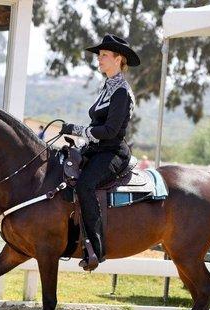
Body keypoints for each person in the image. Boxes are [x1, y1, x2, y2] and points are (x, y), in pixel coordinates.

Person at [59, 34, 140, 270]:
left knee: (85, 185)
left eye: (104, 55)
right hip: (97, 149)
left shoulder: (121, 92)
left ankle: (96, 249)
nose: (99, 59)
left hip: (113, 152)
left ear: (119, 59)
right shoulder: (108, 88)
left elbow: (111, 130)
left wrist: (78, 129)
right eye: (99, 55)